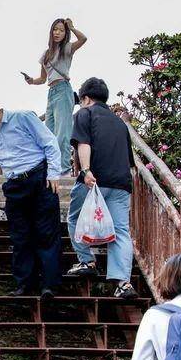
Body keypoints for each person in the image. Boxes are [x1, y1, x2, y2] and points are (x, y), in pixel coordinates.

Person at [0, 98, 62, 300]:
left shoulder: (23, 118)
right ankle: (24, 284)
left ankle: (49, 285)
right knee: (20, 236)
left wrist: (54, 174)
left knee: (46, 233)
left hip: (39, 178)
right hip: (14, 185)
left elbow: (50, 142)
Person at [66, 77, 137, 300]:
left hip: (95, 180)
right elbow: (131, 162)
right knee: (121, 231)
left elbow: (83, 143)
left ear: (85, 98)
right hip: (121, 184)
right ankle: (123, 283)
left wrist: (86, 171)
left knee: (74, 218)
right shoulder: (119, 123)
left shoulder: (84, 114)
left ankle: (87, 261)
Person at [24, 17, 87, 175]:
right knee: (49, 134)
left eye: (61, 30)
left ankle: (64, 171)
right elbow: (43, 78)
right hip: (51, 93)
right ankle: (51, 169)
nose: (57, 32)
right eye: (55, 29)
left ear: (65, 33)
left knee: (62, 134)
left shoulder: (66, 48)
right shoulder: (46, 55)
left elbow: (83, 39)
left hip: (63, 90)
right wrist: (31, 81)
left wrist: (71, 27)